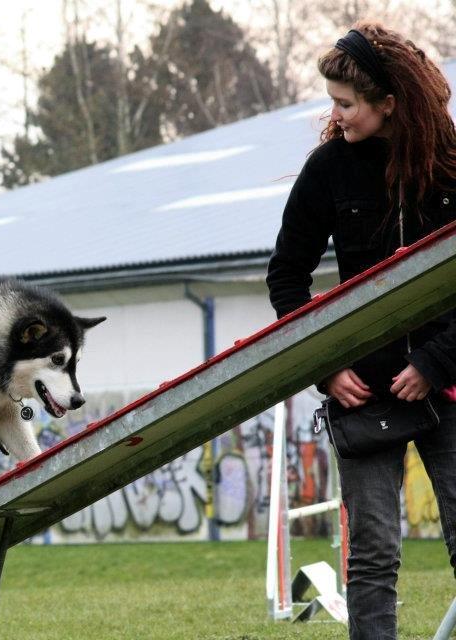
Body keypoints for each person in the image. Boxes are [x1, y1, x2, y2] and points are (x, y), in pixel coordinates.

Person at [266, 22, 456, 639]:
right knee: (372, 558)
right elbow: (287, 277)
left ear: (388, 103)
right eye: (333, 103)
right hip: (363, 394)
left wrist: (434, 363)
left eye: (346, 104)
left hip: (447, 385)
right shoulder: (327, 170)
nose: (337, 115)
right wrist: (325, 367)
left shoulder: (449, 167)